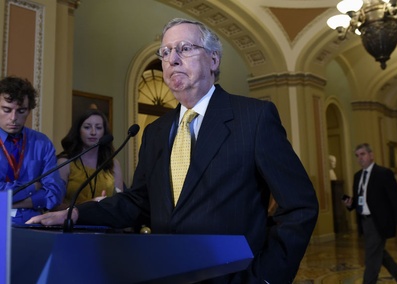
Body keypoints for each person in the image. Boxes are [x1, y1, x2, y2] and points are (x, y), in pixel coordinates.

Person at [27, 18, 319, 283]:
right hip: (165, 273)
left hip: (233, 275)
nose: (172, 60)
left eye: (184, 48)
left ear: (213, 59)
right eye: (165, 53)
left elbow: (299, 205)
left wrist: (267, 277)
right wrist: (76, 214)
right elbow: (138, 202)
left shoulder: (253, 118)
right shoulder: (155, 132)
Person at [343, 143, 397, 284]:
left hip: (379, 221)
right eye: (357, 156)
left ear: (371, 155)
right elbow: (361, 200)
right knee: (379, 253)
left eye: (363, 154)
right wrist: (351, 204)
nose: (360, 158)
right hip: (364, 221)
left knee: (372, 256)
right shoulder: (357, 176)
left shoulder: (383, 173)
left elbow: (396, 198)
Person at [0, 76, 64, 224]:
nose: (14, 118)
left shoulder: (42, 143)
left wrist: (11, 202)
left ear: (29, 110)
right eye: (6, 110)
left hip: (33, 225)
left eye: (21, 111)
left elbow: (55, 193)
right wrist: (33, 187)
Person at [53, 108, 123, 210]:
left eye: (98, 128)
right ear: (78, 131)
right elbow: (54, 206)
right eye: (87, 127)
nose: (93, 132)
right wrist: (88, 205)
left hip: (105, 222)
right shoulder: (65, 162)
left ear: (104, 132)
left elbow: (119, 203)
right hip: (71, 222)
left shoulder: (113, 163)